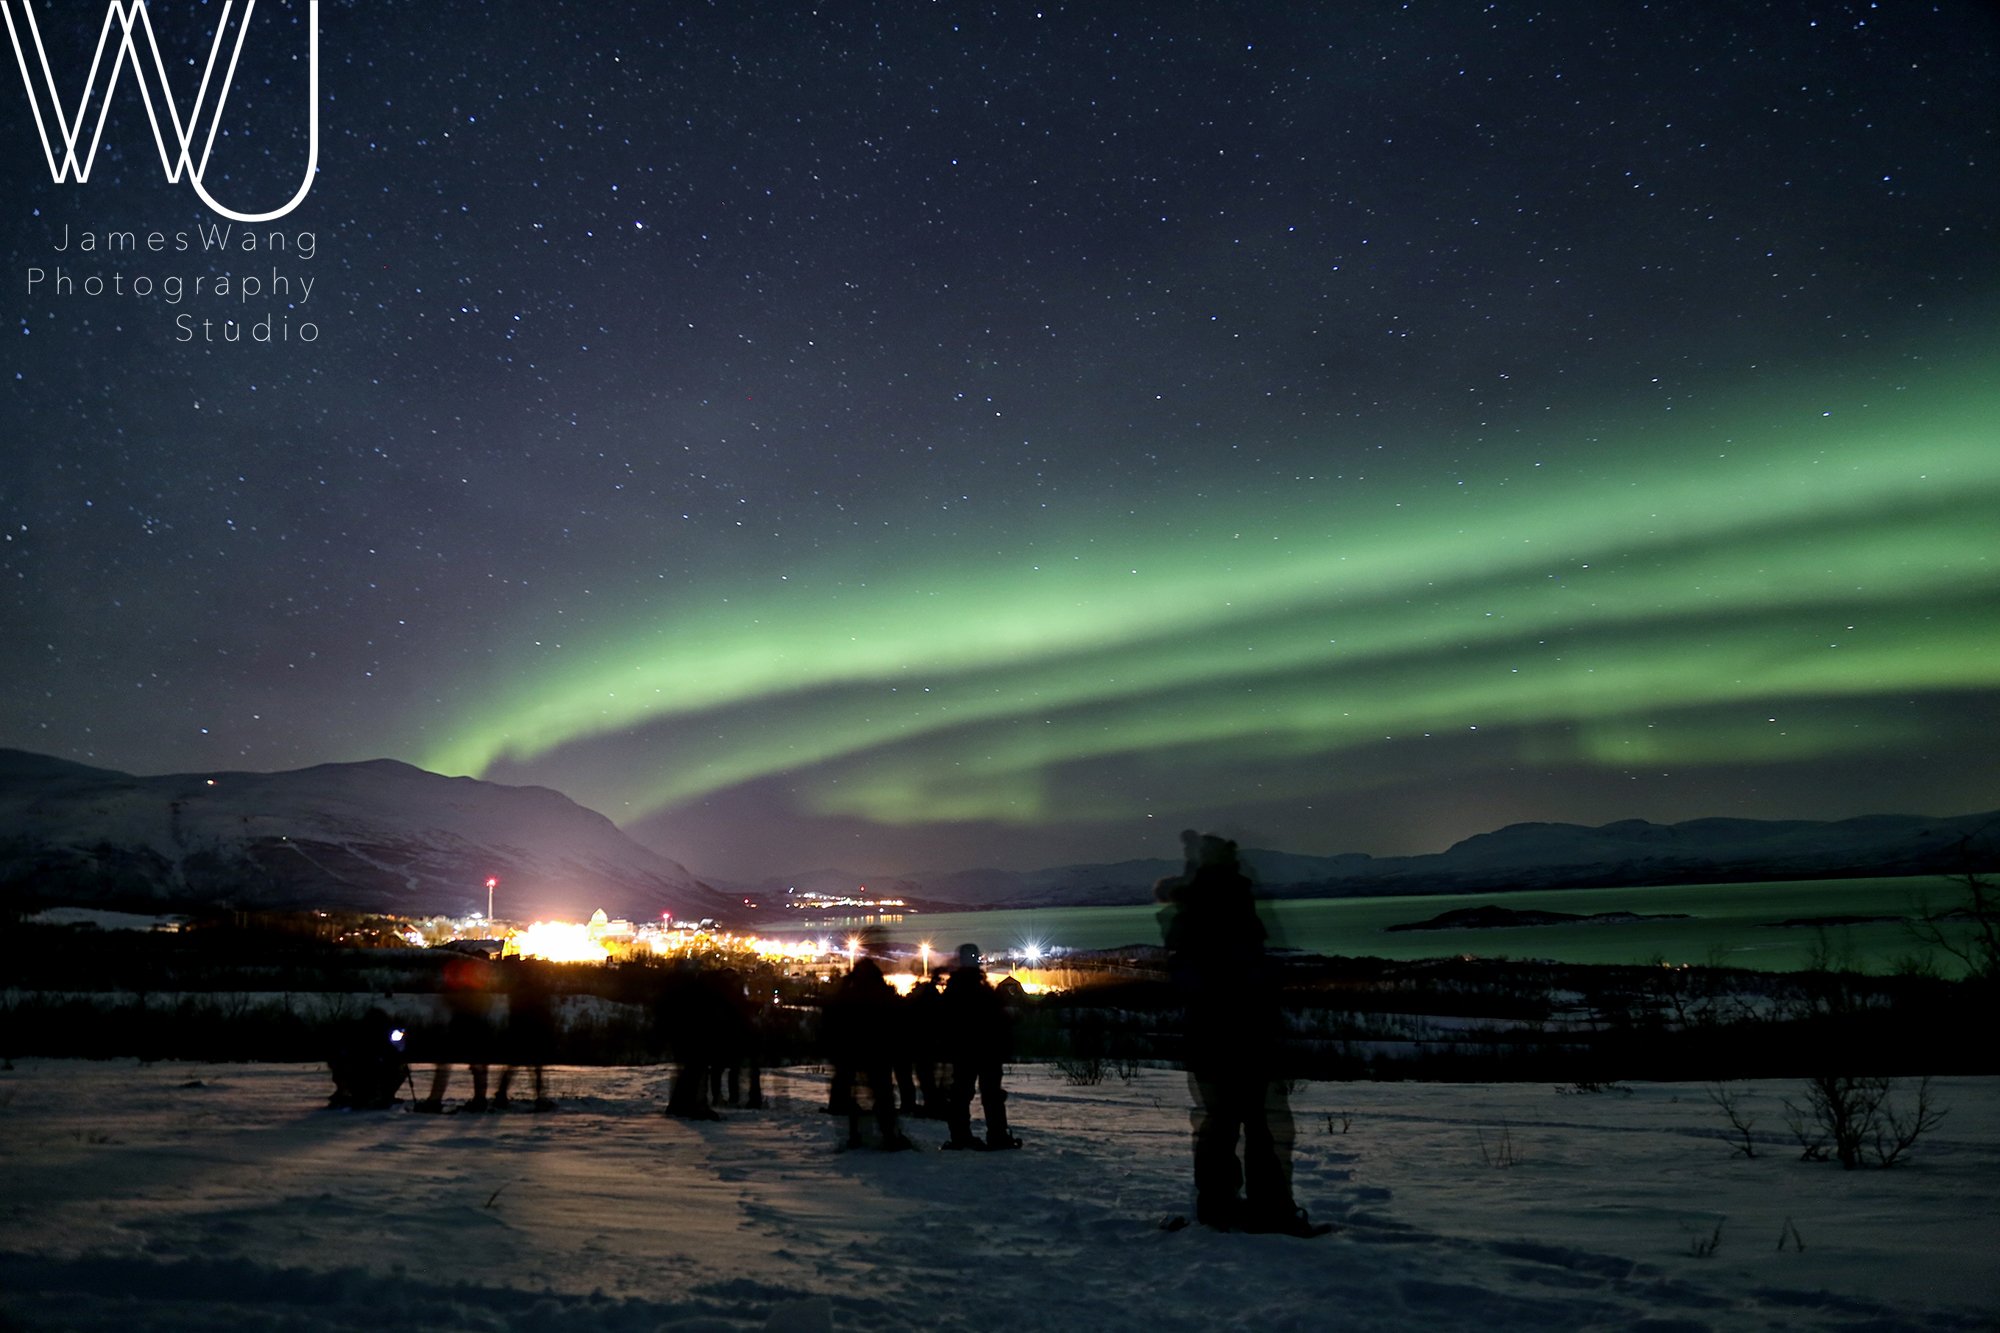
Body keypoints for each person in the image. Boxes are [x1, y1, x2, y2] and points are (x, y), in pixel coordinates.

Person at [1157, 831, 1330, 1236]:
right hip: (1238, 1032)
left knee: (1226, 1124)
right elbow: (1241, 972)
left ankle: (1224, 1204)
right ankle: (1261, 1207)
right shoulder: (1227, 904)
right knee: (1251, 1123)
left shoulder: (1196, 912)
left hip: (1216, 1034)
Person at [824, 958, 914, 1150]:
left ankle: (858, 1135)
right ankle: (889, 1135)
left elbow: (832, 1024)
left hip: (854, 1053)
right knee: (883, 1096)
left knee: (857, 1098)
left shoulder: (846, 996)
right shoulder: (883, 996)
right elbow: (897, 1024)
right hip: (878, 1053)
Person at [940, 943, 1019, 1150]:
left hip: (966, 1051)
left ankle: (961, 1136)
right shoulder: (982, 989)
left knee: (962, 1094)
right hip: (985, 1050)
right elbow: (998, 1021)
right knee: (988, 1094)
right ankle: (996, 1135)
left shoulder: (955, 988)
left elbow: (946, 1022)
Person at [414, 952, 497, 1113]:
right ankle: (479, 1100)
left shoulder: (461, 991)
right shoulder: (479, 990)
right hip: (474, 1029)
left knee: (446, 1065)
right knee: (476, 1066)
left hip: (461, 1028)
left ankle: (435, 1100)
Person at [495, 957, 556, 1111]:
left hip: (518, 1032)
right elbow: (542, 1012)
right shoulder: (536, 991)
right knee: (536, 1069)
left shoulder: (517, 990)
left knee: (512, 1067)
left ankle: (501, 1096)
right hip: (531, 1033)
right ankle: (540, 1098)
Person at [326, 1006, 407, 1110]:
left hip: (376, 1070)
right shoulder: (357, 1033)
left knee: (396, 1070)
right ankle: (351, 1094)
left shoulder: (385, 1035)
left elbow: (396, 1055)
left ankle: (383, 1095)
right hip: (357, 1070)